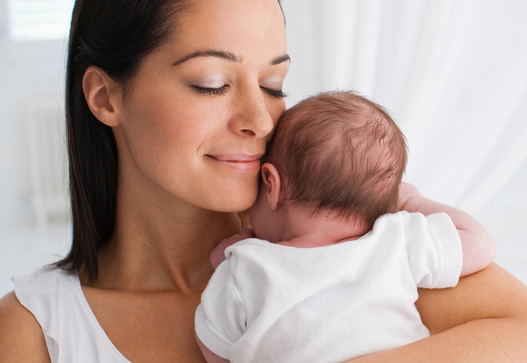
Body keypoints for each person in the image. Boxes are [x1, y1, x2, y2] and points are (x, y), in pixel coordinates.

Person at [0, 0, 527, 362]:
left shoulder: (351, 234)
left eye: (274, 85)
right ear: (105, 97)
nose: (261, 118)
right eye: (212, 83)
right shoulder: (32, 332)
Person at [196, 90, 497, 362]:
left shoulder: (245, 266)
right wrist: (412, 202)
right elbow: (479, 244)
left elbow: (214, 345)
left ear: (271, 184)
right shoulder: (394, 241)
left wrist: (223, 266)